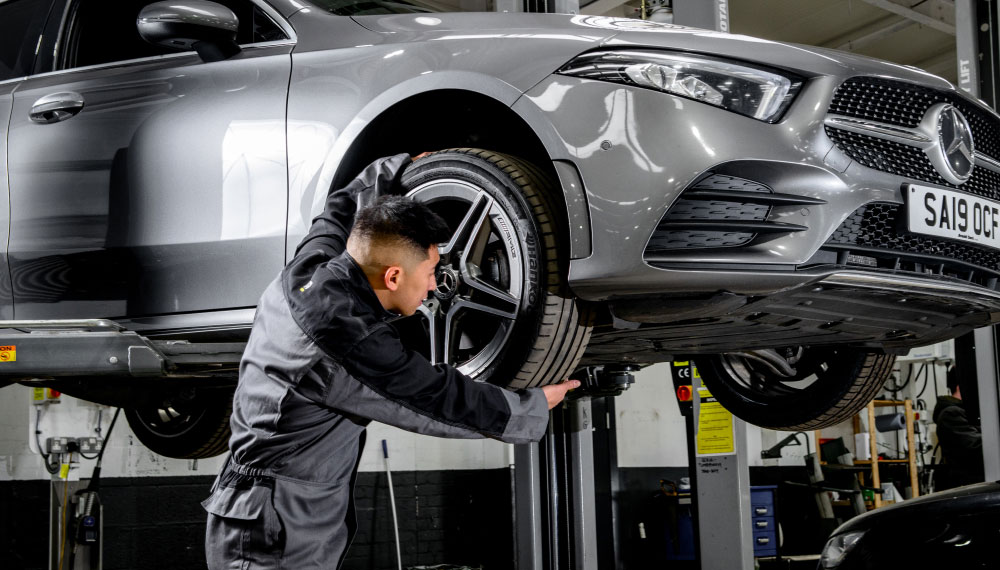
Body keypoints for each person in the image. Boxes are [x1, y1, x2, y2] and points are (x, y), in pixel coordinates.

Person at [202, 152, 580, 569]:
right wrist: (531, 405)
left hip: (274, 505)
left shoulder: (308, 272)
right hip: (272, 524)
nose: (437, 285)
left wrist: (391, 168)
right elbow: (434, 398)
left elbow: (336, 215)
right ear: (393, 277)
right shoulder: (346, 340)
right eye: (432, 271)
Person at [933, 366, 984, 489]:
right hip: (971, 488)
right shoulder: (951, 414)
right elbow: (978, 448)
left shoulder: (970, 413)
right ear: (961, 387)